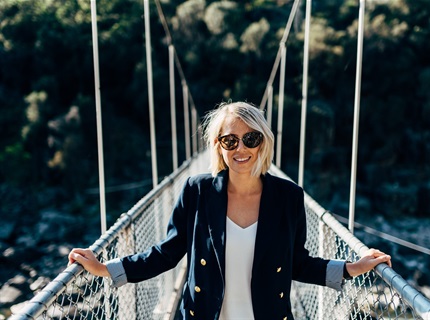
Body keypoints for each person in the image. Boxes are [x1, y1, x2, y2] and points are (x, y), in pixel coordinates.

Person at [69, 101, 392, 320]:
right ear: (218, 147)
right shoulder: (197, 191)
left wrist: (351, 268)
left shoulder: (289, 196)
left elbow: (298, 263)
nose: (241, 149)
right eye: (230, 140)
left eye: (250, 138)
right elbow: (167, 253)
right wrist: (107, 269)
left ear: (263, 143)